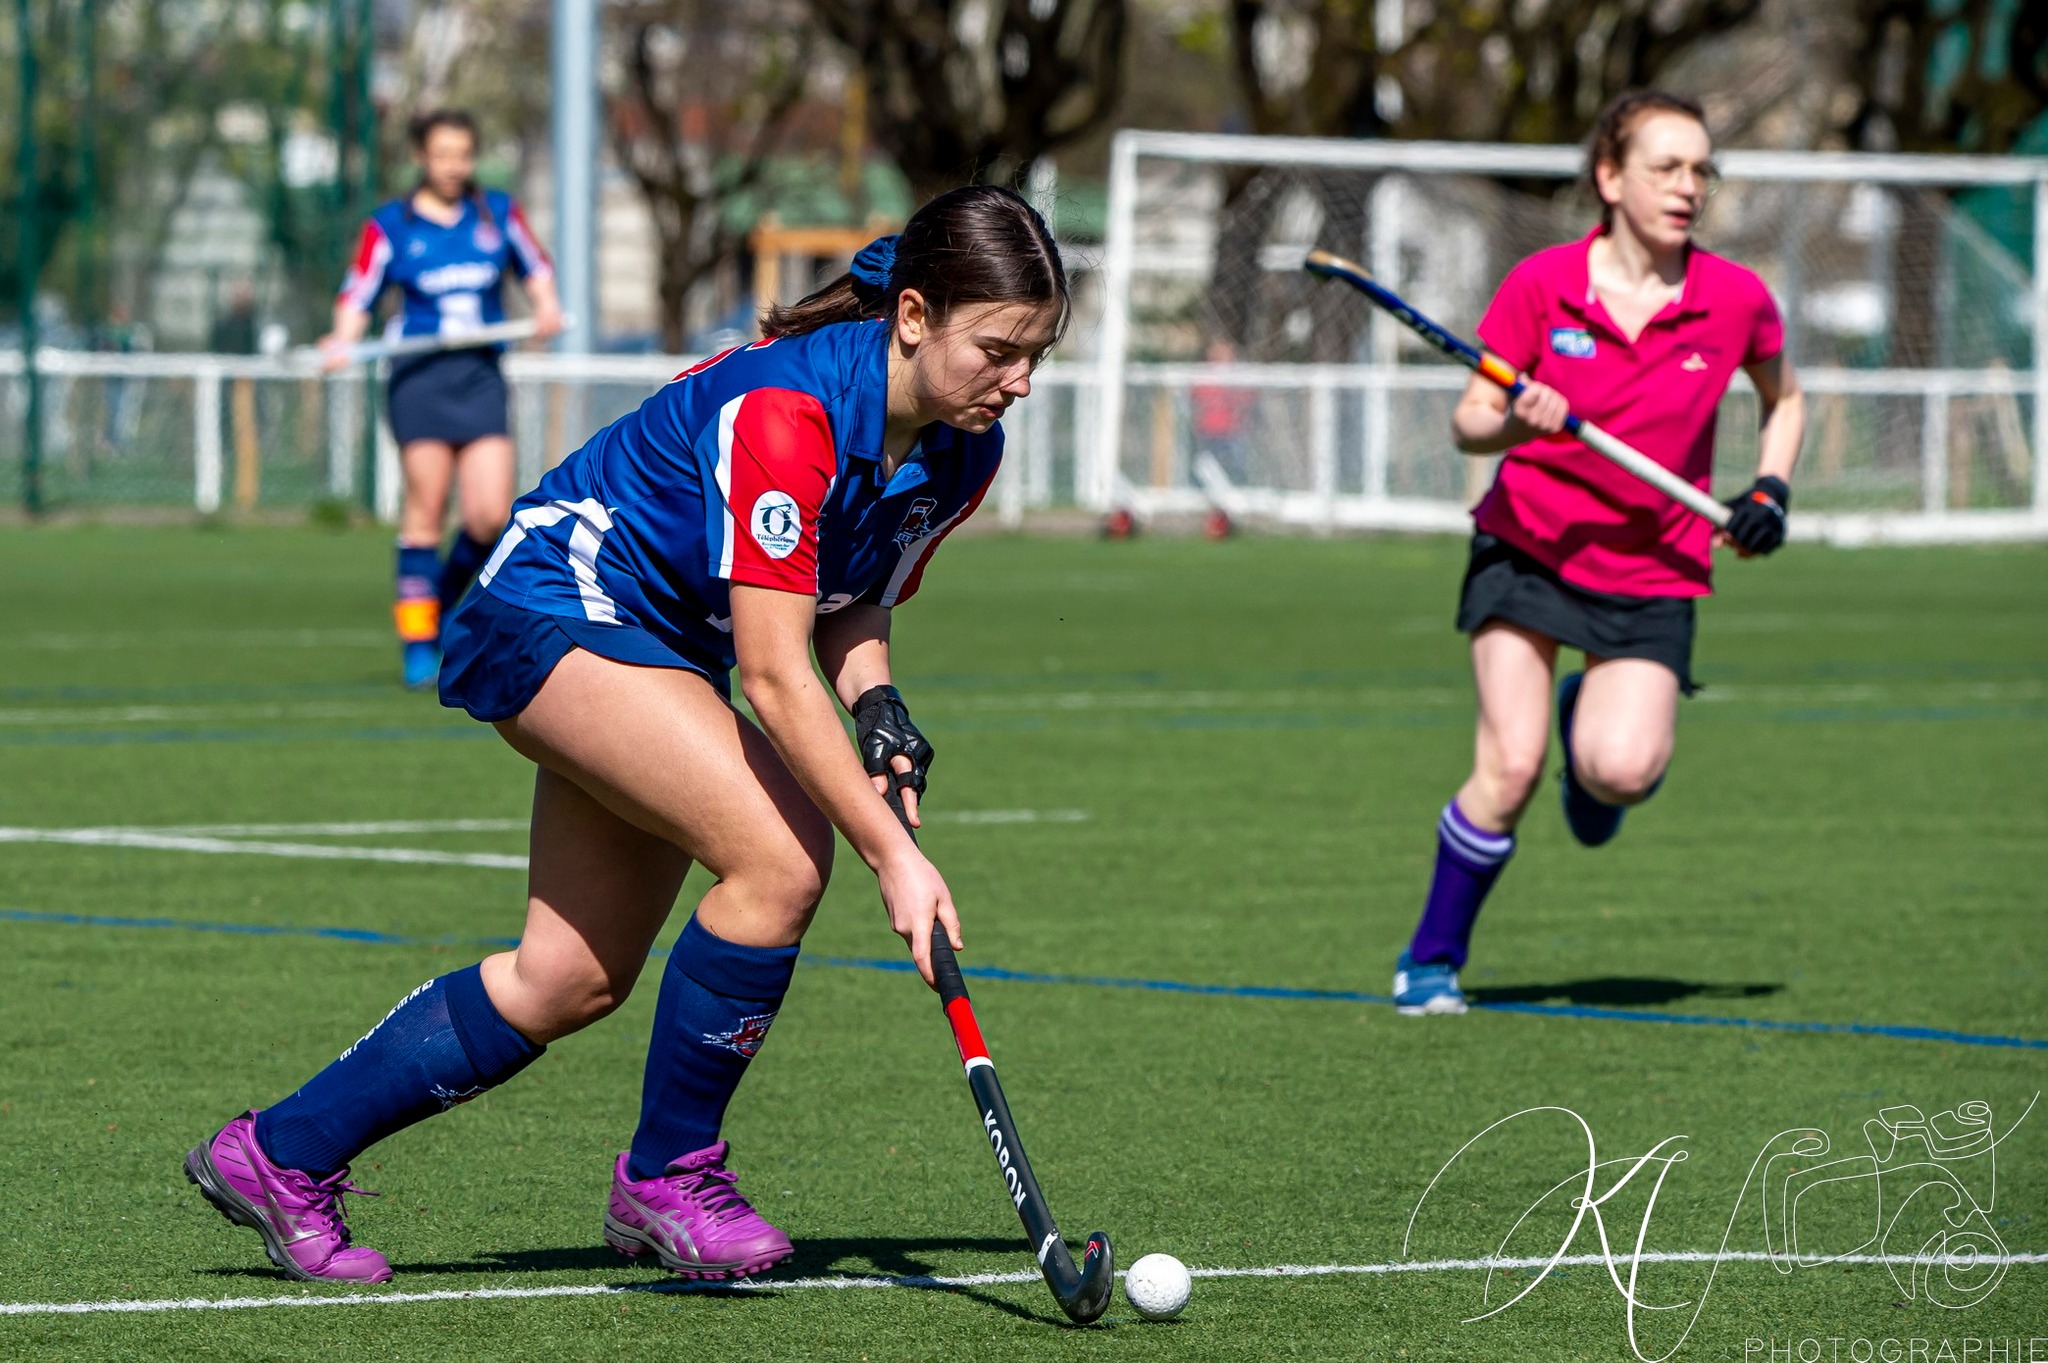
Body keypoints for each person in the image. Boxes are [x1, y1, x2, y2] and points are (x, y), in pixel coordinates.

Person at [184, 185, 1067, 1284]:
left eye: (1036, 354)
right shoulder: (788, 415)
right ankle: (667, 1174)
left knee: (564, 980)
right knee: (783, 854)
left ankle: (278, 1154)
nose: (1018, 379)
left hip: (653, 647)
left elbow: (848, 601)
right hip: (553, 609)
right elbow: (772, 672)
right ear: (914, 315)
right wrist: (896, 857)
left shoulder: (957, 451)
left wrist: (879, 706)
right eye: (997, 348)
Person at [1391, 90, 1806, 1015]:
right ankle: (1431, 959)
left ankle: (1592, 720)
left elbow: (1786, 398)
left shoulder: (1736, 299)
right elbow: (1469, 421)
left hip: (1654, 569)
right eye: (1667, 166)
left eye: (1702, 169)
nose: (1688, 186)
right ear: (1610, 178)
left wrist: (1770, 488)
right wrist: (1515, 418)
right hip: (1529, 546)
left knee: (1619, 768)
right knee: (1510, 765)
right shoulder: (1542, 284)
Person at [320, 108, 564, 689]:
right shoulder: (391, 225)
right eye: (442, 154)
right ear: (422, 159)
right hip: (420, 378)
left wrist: (545, 309)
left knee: (486, 515)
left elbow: (536, 271)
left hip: (479, 377)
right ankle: (416, 638)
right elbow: (358, 295)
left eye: (463, 154)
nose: (454, 165)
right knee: (426, 506)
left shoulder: (496, 214)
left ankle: (443, 608)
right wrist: (342, 340)